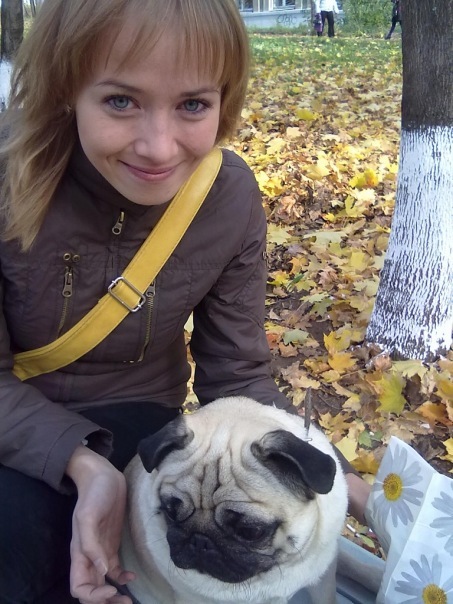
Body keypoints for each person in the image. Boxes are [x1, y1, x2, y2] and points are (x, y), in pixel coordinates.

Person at [0, 1, 370, 603]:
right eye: (121, 101)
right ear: (67, 89)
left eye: (193, 104)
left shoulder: (226, 197)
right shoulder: (6, 179)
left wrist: (356, 490)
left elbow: (238, 375)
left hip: (145, 427)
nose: (159, 147)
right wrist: (85, 466)